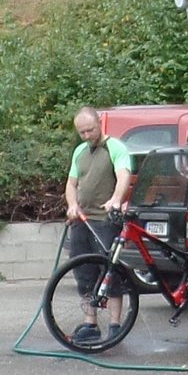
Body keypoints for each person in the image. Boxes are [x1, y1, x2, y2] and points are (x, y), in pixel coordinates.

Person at [60, 106, 135, 347]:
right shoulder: (80, 151)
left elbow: (123, 176)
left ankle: (115, 324)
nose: (86, 136)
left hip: (105, 220)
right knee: (83, 272)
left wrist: (116, 200)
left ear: (99, 123)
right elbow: (71, 184)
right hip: (82, 220)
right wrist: (72, 205)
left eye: (90, 130)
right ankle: (90, 323)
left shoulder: (115, 148)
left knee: (110, 271)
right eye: (81, 132)